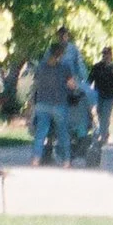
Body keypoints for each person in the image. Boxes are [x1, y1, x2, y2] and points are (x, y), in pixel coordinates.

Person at [27, 29, 85, 166]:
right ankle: (66, 161)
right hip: (59, 104)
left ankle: (35, 159)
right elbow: (72, 85)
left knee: (40, 133)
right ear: (60, 54)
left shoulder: (41, 67)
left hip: (42, 103)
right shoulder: (64, 67)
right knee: (63, 134)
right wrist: (76, 88)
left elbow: (36, 83)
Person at [88, 47, 113, 164]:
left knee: (106, 114)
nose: (106, 56)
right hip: (99, 94)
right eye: (104, 54)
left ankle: (103, 136)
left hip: (111, 95)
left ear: (111, 55)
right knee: (99, 113)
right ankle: (104, 133)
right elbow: (90, 79)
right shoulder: (97, 67)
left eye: (107, 54)